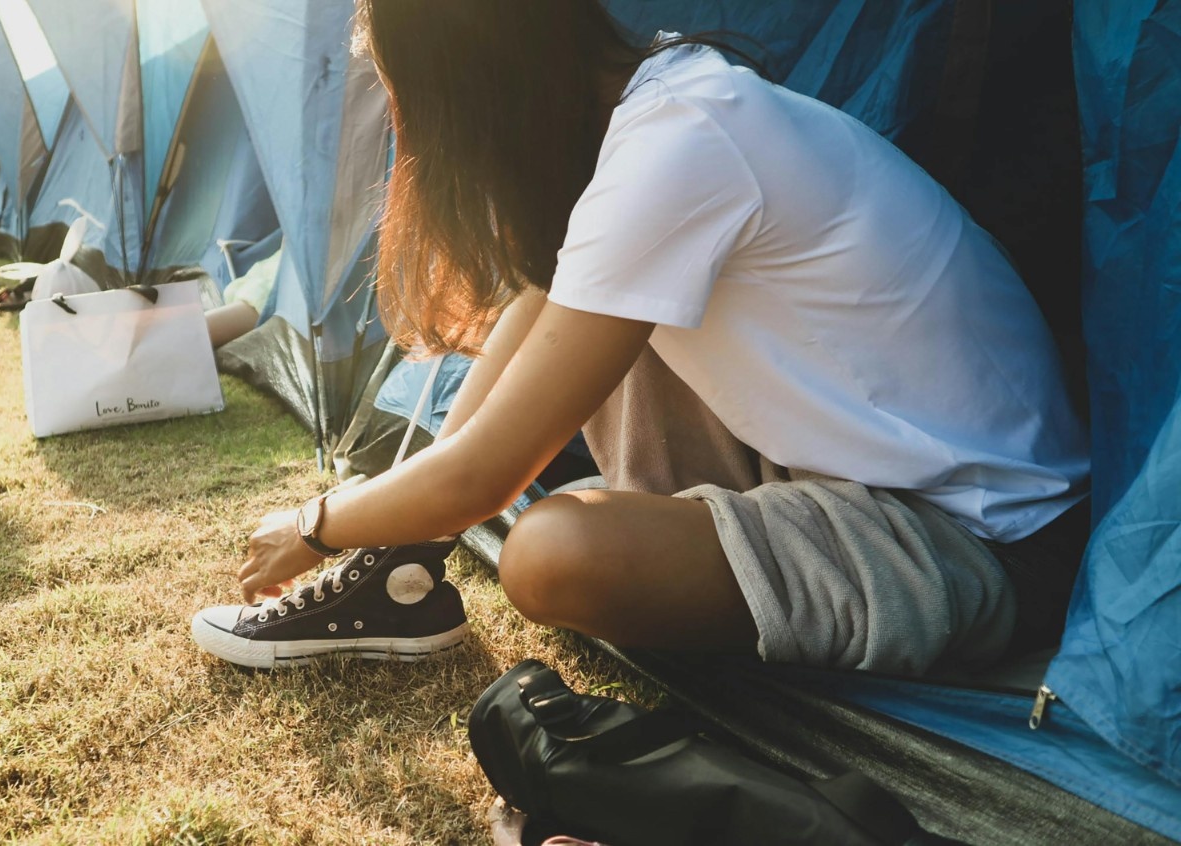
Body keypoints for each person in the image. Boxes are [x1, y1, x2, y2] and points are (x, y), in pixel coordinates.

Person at [191, 1, 1090, 674]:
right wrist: (401, 523)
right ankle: (402, 572)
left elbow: (484, 477)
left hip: (978, 535)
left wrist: (316, 523)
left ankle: (401, 553)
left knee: (548, 555)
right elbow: (524, 349)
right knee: (565, 297)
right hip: (868, 472)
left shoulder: (683, 141)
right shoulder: (662, 100)